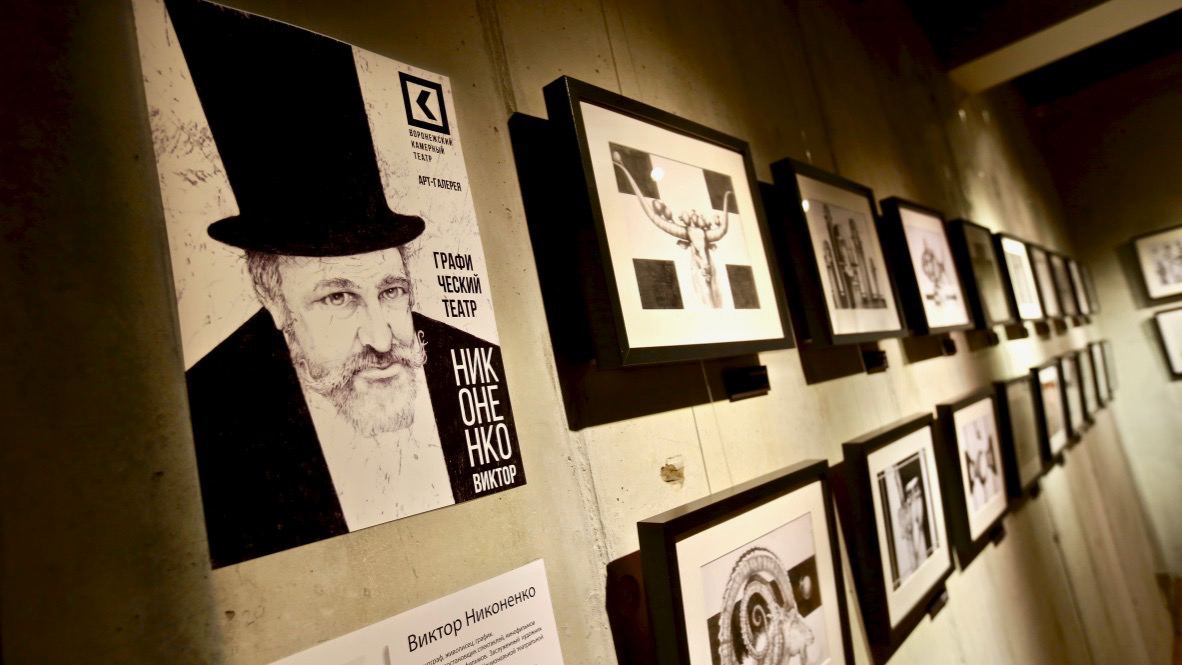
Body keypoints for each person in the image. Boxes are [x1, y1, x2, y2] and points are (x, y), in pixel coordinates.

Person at [167, 0, 507, 567]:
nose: (382, 338)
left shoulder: (473, 360)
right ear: (272, 298)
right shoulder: (208, 417)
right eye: (338, 296)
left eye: (391, 292)